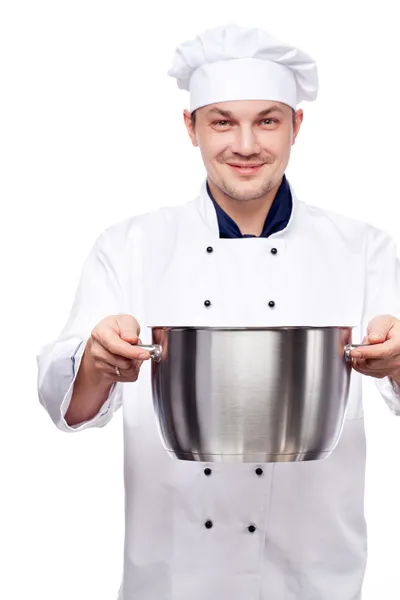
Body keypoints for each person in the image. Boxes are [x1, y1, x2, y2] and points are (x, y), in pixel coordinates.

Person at [37, 23, 400, 600]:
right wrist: (99, 360)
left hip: (314, 580)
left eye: (268, 121)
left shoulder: (365, 249)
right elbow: (69, 408)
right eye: (223, 121)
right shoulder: (131, 245)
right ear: (192, 128)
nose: (247, 145)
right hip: (175, 579)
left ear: (296, 127)